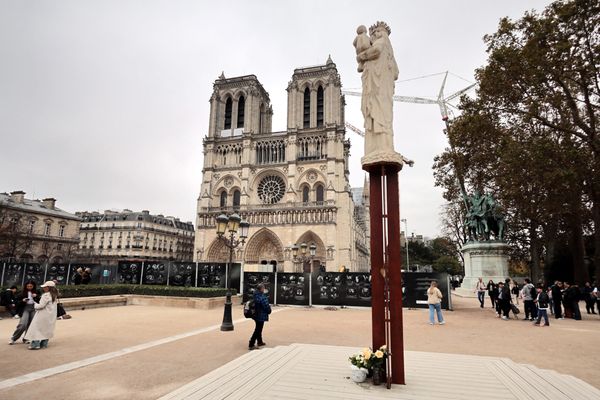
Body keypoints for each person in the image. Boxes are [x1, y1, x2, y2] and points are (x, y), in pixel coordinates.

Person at [24, 281, 58, 350]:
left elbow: (40, 306)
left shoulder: (45, 295)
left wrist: (34, 304)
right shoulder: (54, 295)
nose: (44, 288)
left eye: (45, 287)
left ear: (49, 288)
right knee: (46, 329)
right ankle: (44, 344)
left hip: (42, 314)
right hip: (50, 315)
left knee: (36, 329)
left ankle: (35, 345)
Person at [9, 280, 41, 345]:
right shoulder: (22, 293)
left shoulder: (37, 292)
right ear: (25, 286)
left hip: (34, 308)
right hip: (25, 308)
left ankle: (26, 338)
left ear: (33, 286)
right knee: (23, 324)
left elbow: (40, 301)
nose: (29, 287)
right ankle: (14, 338)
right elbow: (16, 302)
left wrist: (36, 296)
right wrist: (23, 301)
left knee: (31, 325)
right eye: (28, 286)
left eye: (31, 286)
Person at [248, 283, 271, 350]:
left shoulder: (255, 294)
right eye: (263, 288)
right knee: (258, 329)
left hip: (255, 314)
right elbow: (266, 305)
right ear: (261, 289)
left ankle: (260, 341)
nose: (264, 289)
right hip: (261, 314)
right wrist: (269, 311)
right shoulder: (262, 296)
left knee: (259, 328)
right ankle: (251, 344)